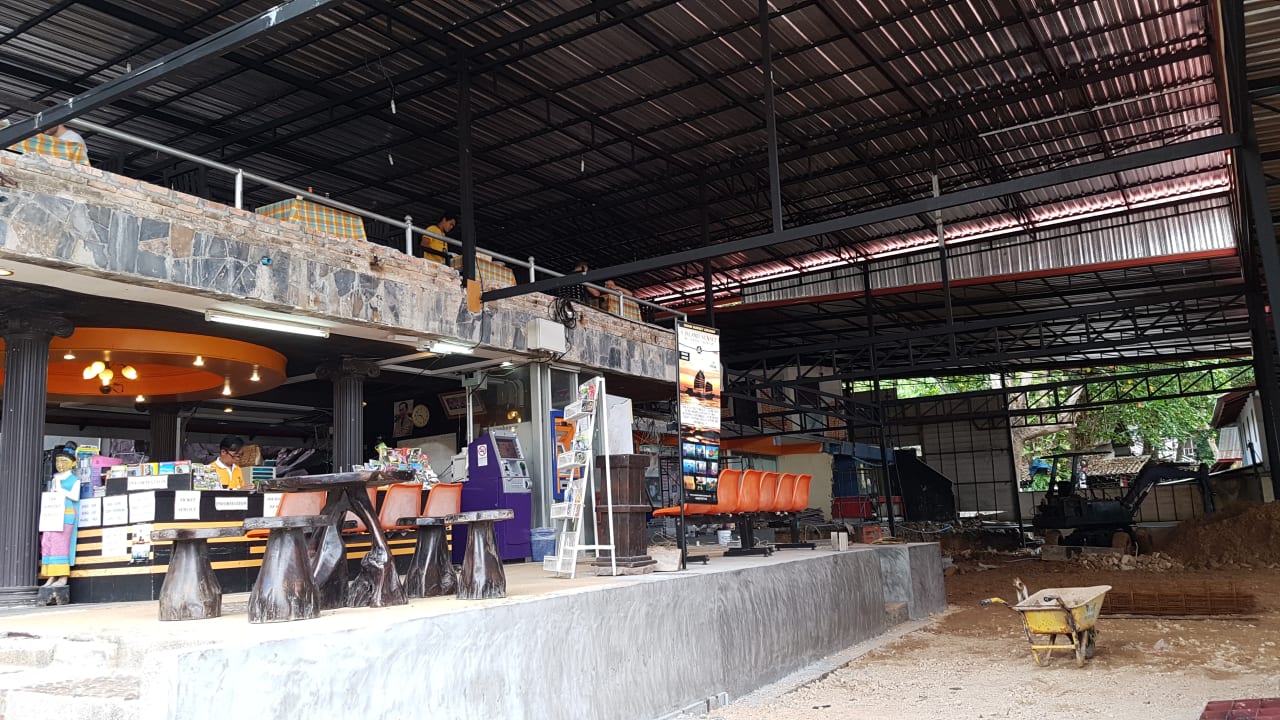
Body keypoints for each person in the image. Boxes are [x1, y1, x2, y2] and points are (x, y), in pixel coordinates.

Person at [40, 445, 81, 587]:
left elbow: (75, 497)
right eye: (58, 461)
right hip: (52, 513)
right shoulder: (55, 478)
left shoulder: (74, 480)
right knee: (48, 543)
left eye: (64, 462)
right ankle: (51, 575)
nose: (60, 465)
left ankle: (63, 576)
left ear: (73, 463)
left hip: (66, 515)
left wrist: (61, 490)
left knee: (61, 545)